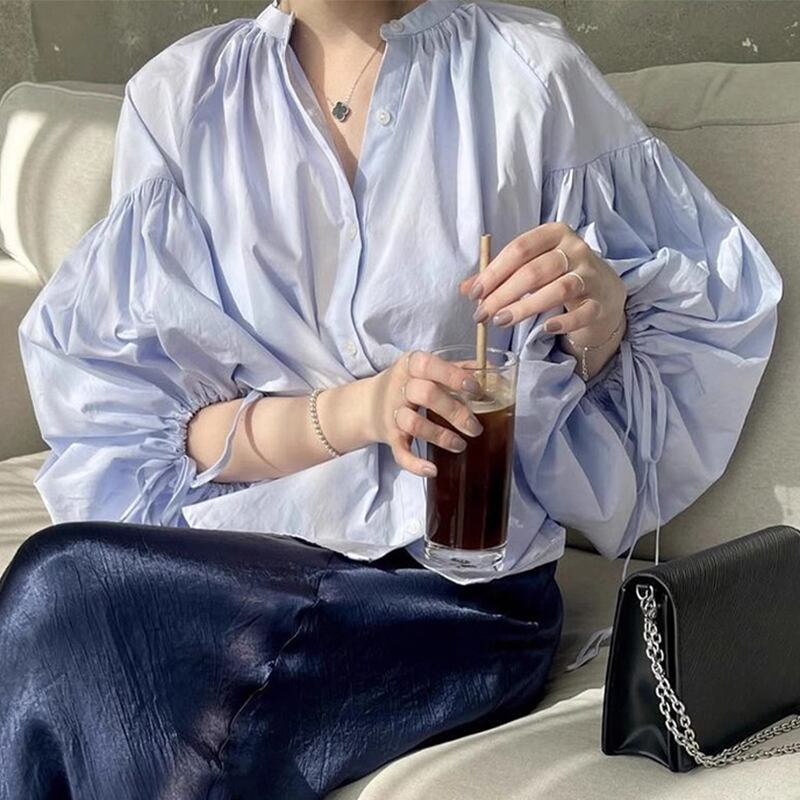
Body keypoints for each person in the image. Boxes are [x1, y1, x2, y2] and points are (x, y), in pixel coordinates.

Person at [0, 0, 782, 797]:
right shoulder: (180, 99)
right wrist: (361, 411)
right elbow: (141, 427)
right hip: (246, 565)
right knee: (64, 594)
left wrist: (603, 317)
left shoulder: (528, 75)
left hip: (459, 597)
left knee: (70, 606)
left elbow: (695, 341)